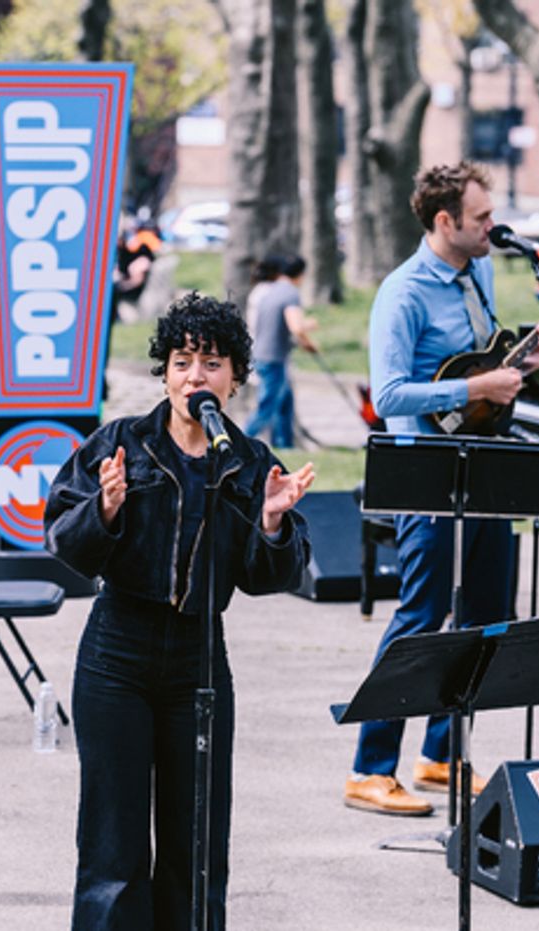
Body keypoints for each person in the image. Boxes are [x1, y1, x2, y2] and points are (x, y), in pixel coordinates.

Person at [45, 292, 315, 929]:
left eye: (213, 363)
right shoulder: (121, 444)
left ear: (237, 379)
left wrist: (274, 524)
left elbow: (269, 576)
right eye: (184, 361)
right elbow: (63, 540)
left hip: (199, 658)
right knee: (114, 842)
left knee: (197, 846)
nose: (197, 376)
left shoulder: (248, 462)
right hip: (118, 653)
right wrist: (104, 511)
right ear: (164, 373)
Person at [346, 162, 539, 816]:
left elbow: (482, 360)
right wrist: (475, 388)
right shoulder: (403, 293)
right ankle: (369, 767)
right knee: (422, 613)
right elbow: (387, 395)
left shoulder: (481, 270)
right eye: (482, 219)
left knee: (488, 614)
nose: (493, 226)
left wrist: (523, 360)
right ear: (446, 222)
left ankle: (441, 754)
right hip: (425, 469)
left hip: (482, 455)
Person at [244, 255, 319, 449]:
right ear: (301, 275)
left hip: (264, 354)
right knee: (267, 407)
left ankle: (285, 444)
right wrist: (308, 344)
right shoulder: (289, 293)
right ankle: (241, 442)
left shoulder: (270, 291)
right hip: (273, 358)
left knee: (285, 403)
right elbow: (295, 327)